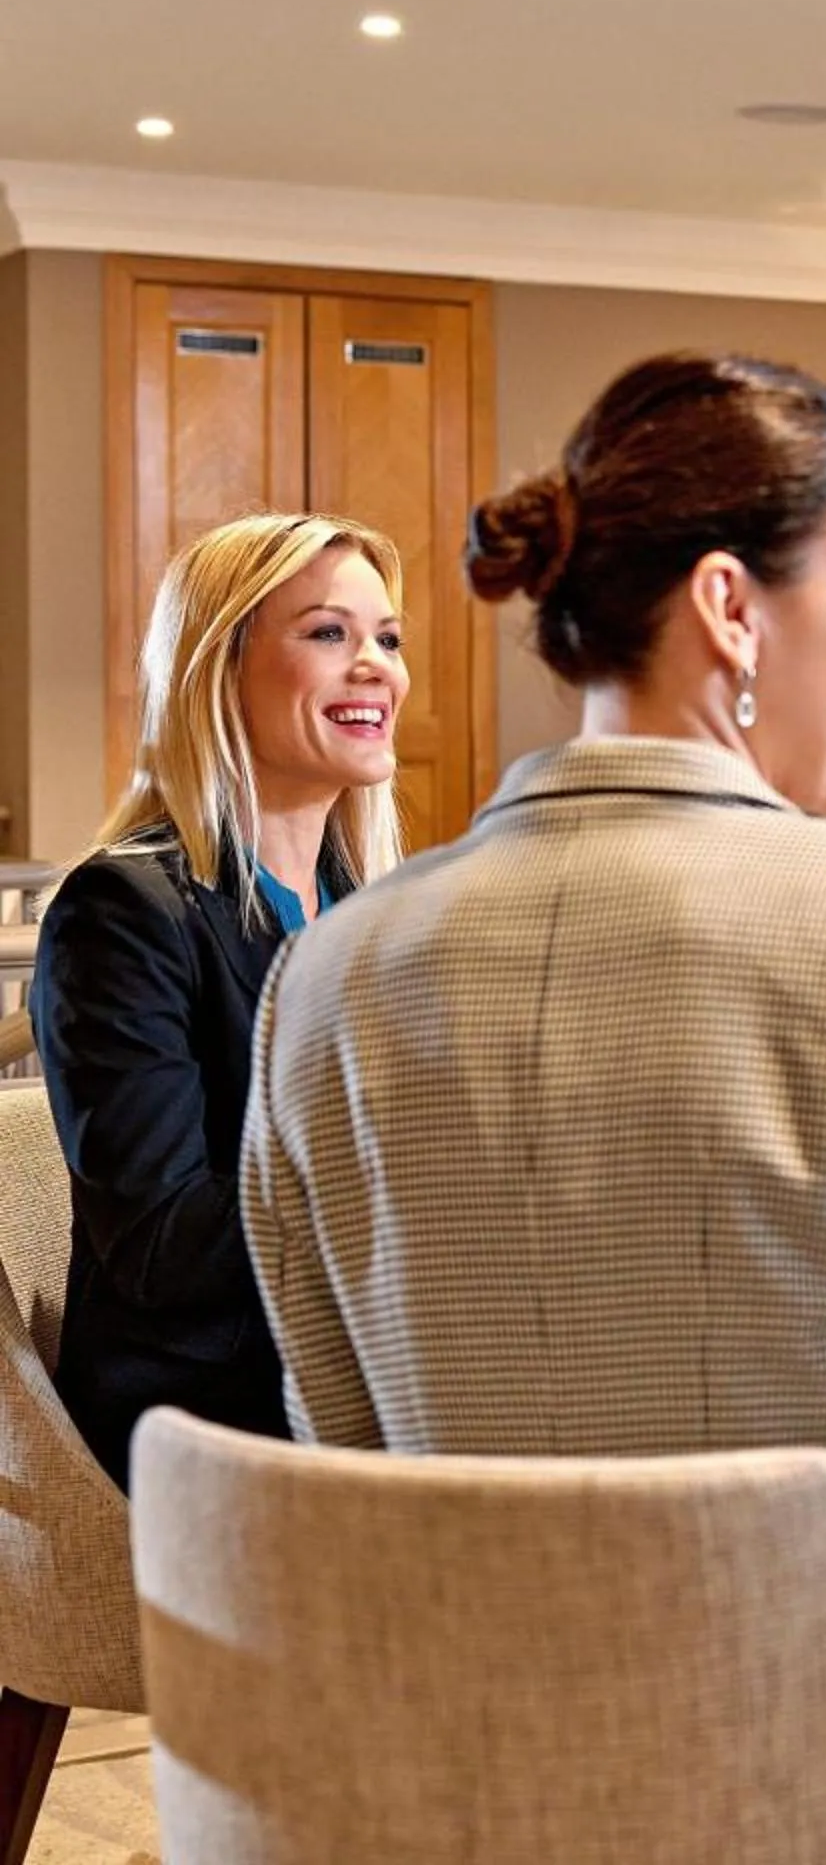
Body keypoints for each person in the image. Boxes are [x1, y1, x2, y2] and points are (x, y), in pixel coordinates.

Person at [234, 356, 826, 1855]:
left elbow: (336, 1442)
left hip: (463, 1765)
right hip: (818, 1751)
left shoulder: (325, 972)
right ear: (733, 608)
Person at [33, 512, 406, 1488]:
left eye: (387, 636)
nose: (375, 664)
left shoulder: (376, 913)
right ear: (218, 665)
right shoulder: (122, 910)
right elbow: (164, 1250)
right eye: (329, 632)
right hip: (210, 1429)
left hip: (355, 1386)